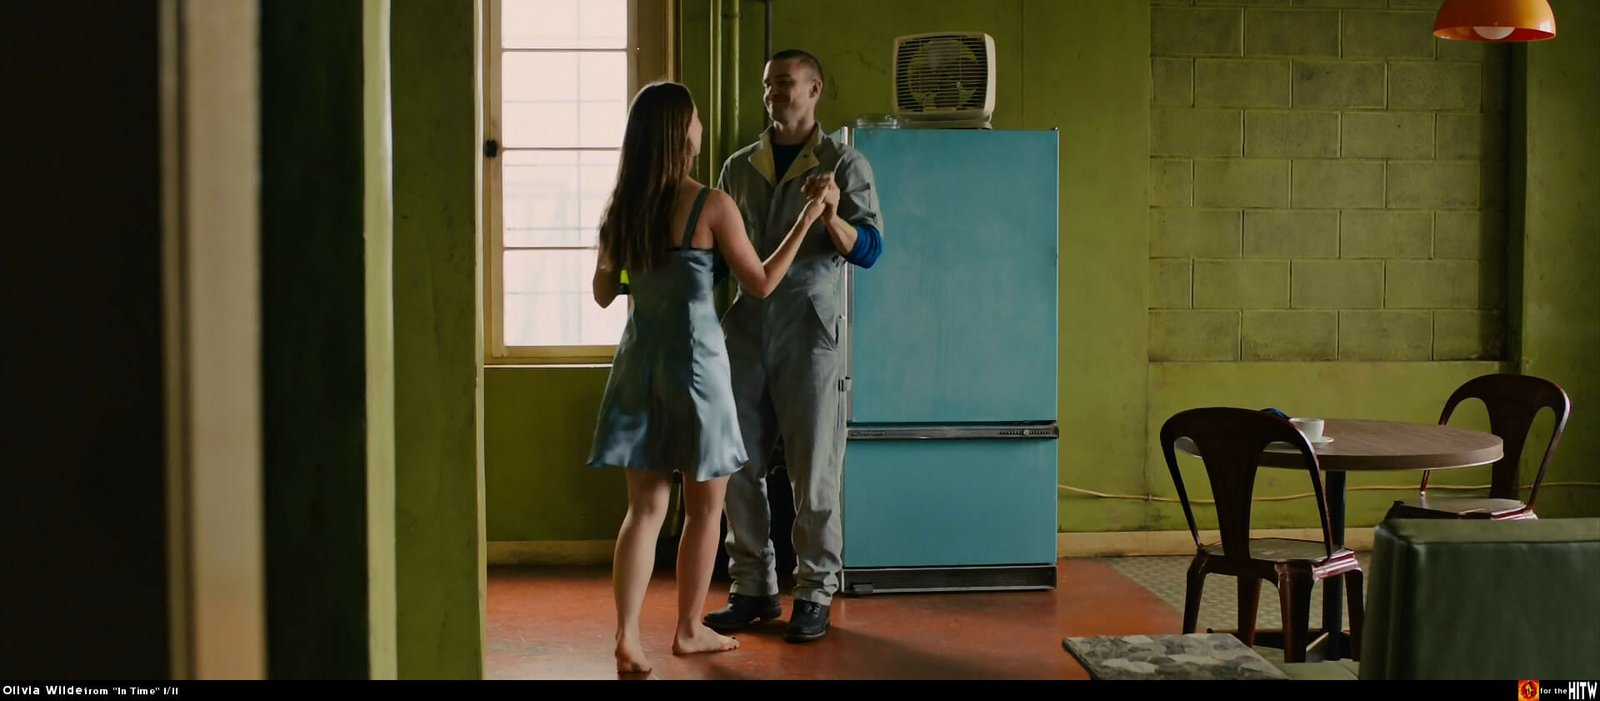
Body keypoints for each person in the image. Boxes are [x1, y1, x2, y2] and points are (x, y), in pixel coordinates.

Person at [587, 81, 826, 674]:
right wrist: (807, 218)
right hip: (696, 369)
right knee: (703, 509)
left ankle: (627, 637)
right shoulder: (711, 204)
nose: (699, 126)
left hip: (639, 364)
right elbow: (761, 283)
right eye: (694, 118)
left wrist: (646, 272)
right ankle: (689, 630)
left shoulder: (622, 209)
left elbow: (603, 293)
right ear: (681, 134)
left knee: (644, 511)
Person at [703, 49, 884, 644]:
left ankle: (814, 591)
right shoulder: (738, 167)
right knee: (738, 463)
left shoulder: (845, 163)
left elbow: (870, 250)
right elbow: (721, 259)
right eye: (767, 85)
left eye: (784, 83)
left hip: (809, 327)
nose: (773, 94)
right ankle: (753, 586)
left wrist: (830, 214)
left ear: (815, 90)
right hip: (744, 327)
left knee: (814, 468)